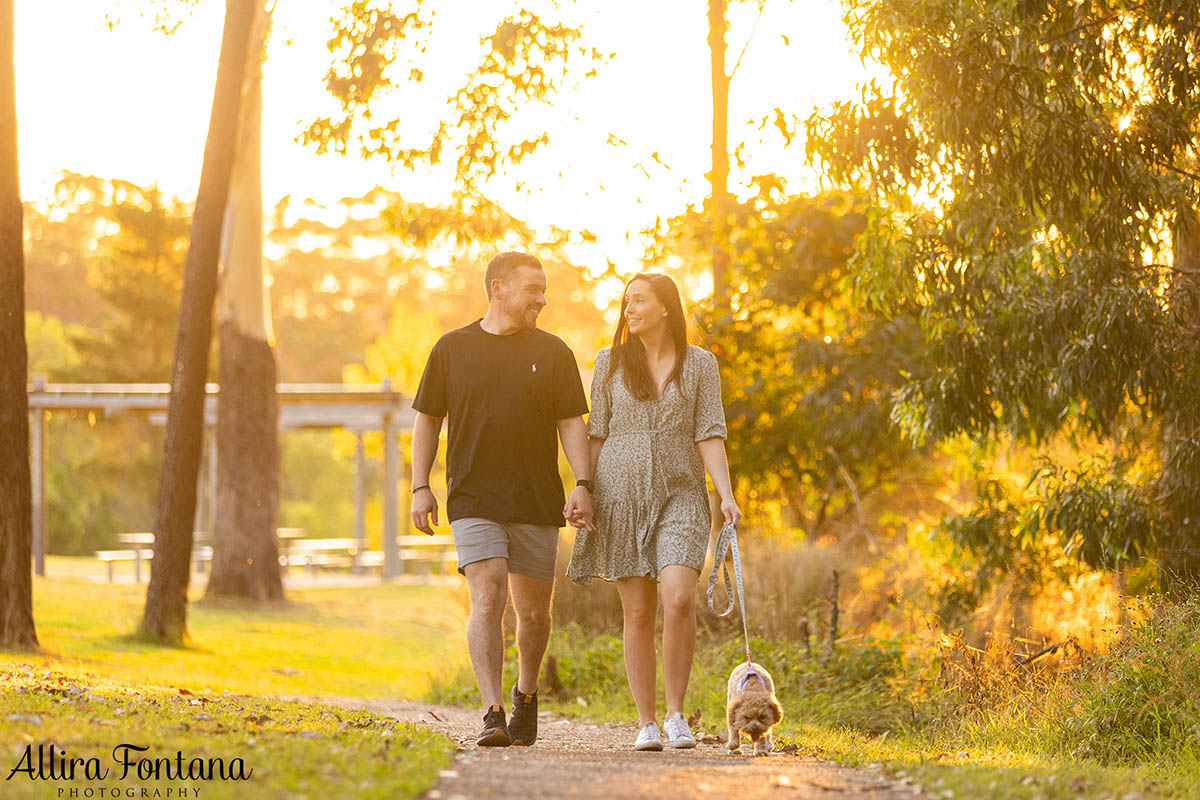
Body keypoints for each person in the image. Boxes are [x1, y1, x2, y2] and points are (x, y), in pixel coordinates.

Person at [410, 251, 596, 748]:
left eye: (544, 289)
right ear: (498, 288)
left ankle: (525, 694)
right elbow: (427, 418)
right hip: (472, 497)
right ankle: (492, 712)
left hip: (536, 498)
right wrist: (420, 485)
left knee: (534, 615)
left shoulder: (554, 352)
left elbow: (570, 423)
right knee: (488, 594)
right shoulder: (451, 348)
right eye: (533, 289)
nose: (542, 298)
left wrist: (584, 483)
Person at [566, 272, 741, 751]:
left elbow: (709, 432)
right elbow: (595, 432)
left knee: (680, 597)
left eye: (639, 300)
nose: (630, 309)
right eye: (626, 302)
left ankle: (676, 715)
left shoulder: (701, 365)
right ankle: (646, 722)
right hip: (619, 493)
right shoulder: (610, 362)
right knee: (639, 610)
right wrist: (583, 488)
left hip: (682, 492)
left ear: (665, 306)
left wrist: (725, 494)